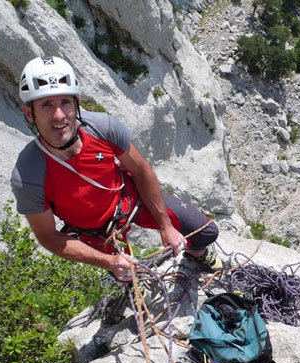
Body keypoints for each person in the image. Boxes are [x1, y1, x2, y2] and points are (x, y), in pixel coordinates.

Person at [11, 56, 221, 282]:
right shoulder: (29, 175)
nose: (59, 115)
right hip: (93, 233)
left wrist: (166, 226)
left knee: (206, 232)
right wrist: (108, 262)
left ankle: (197, 252)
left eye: (65, 102)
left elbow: (141, 172)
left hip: (130, 202)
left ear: (77, 104)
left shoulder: (103, 128)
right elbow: (48, 236)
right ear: (29, 113)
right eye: (46, 105)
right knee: (131, 279)